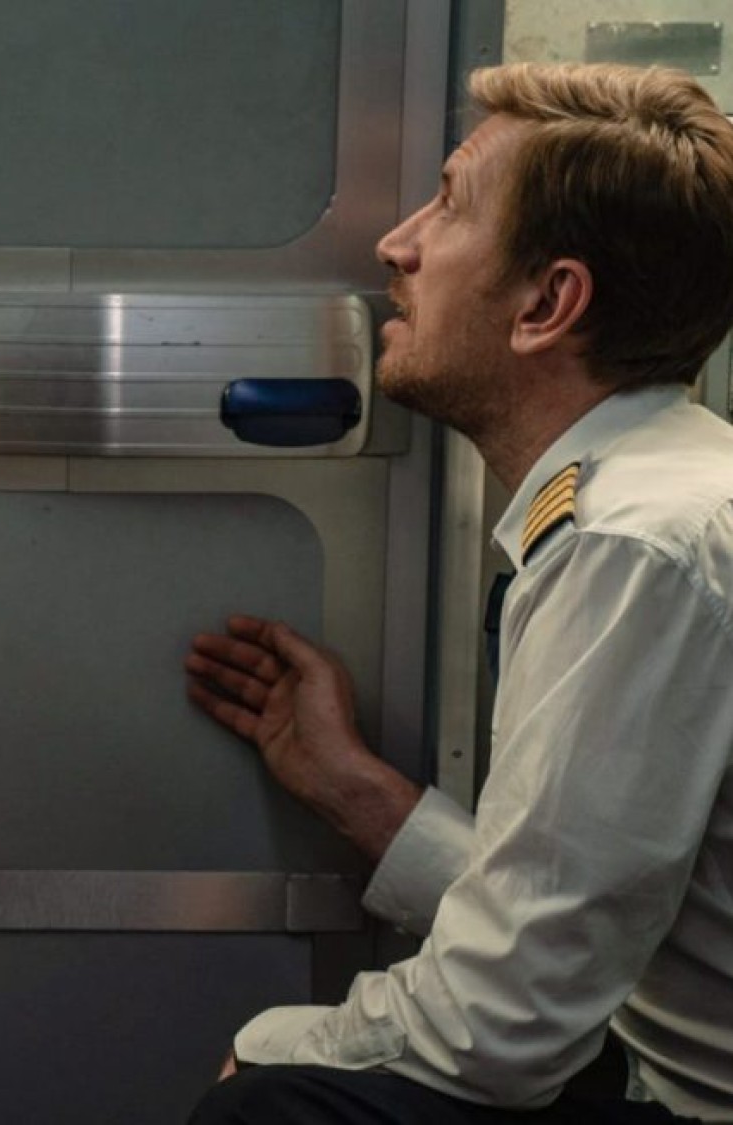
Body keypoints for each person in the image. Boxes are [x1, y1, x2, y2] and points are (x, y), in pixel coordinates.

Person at [184, 63, 733, 1124]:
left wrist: (270, 1050)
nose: (398, 245)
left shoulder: (632, 544)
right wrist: (357, 791)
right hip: (651, 1066)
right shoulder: (658, 494)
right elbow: (572, 919)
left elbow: (508, 1020)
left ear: (547, 304)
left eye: (447, 205)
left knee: (272, 1114)